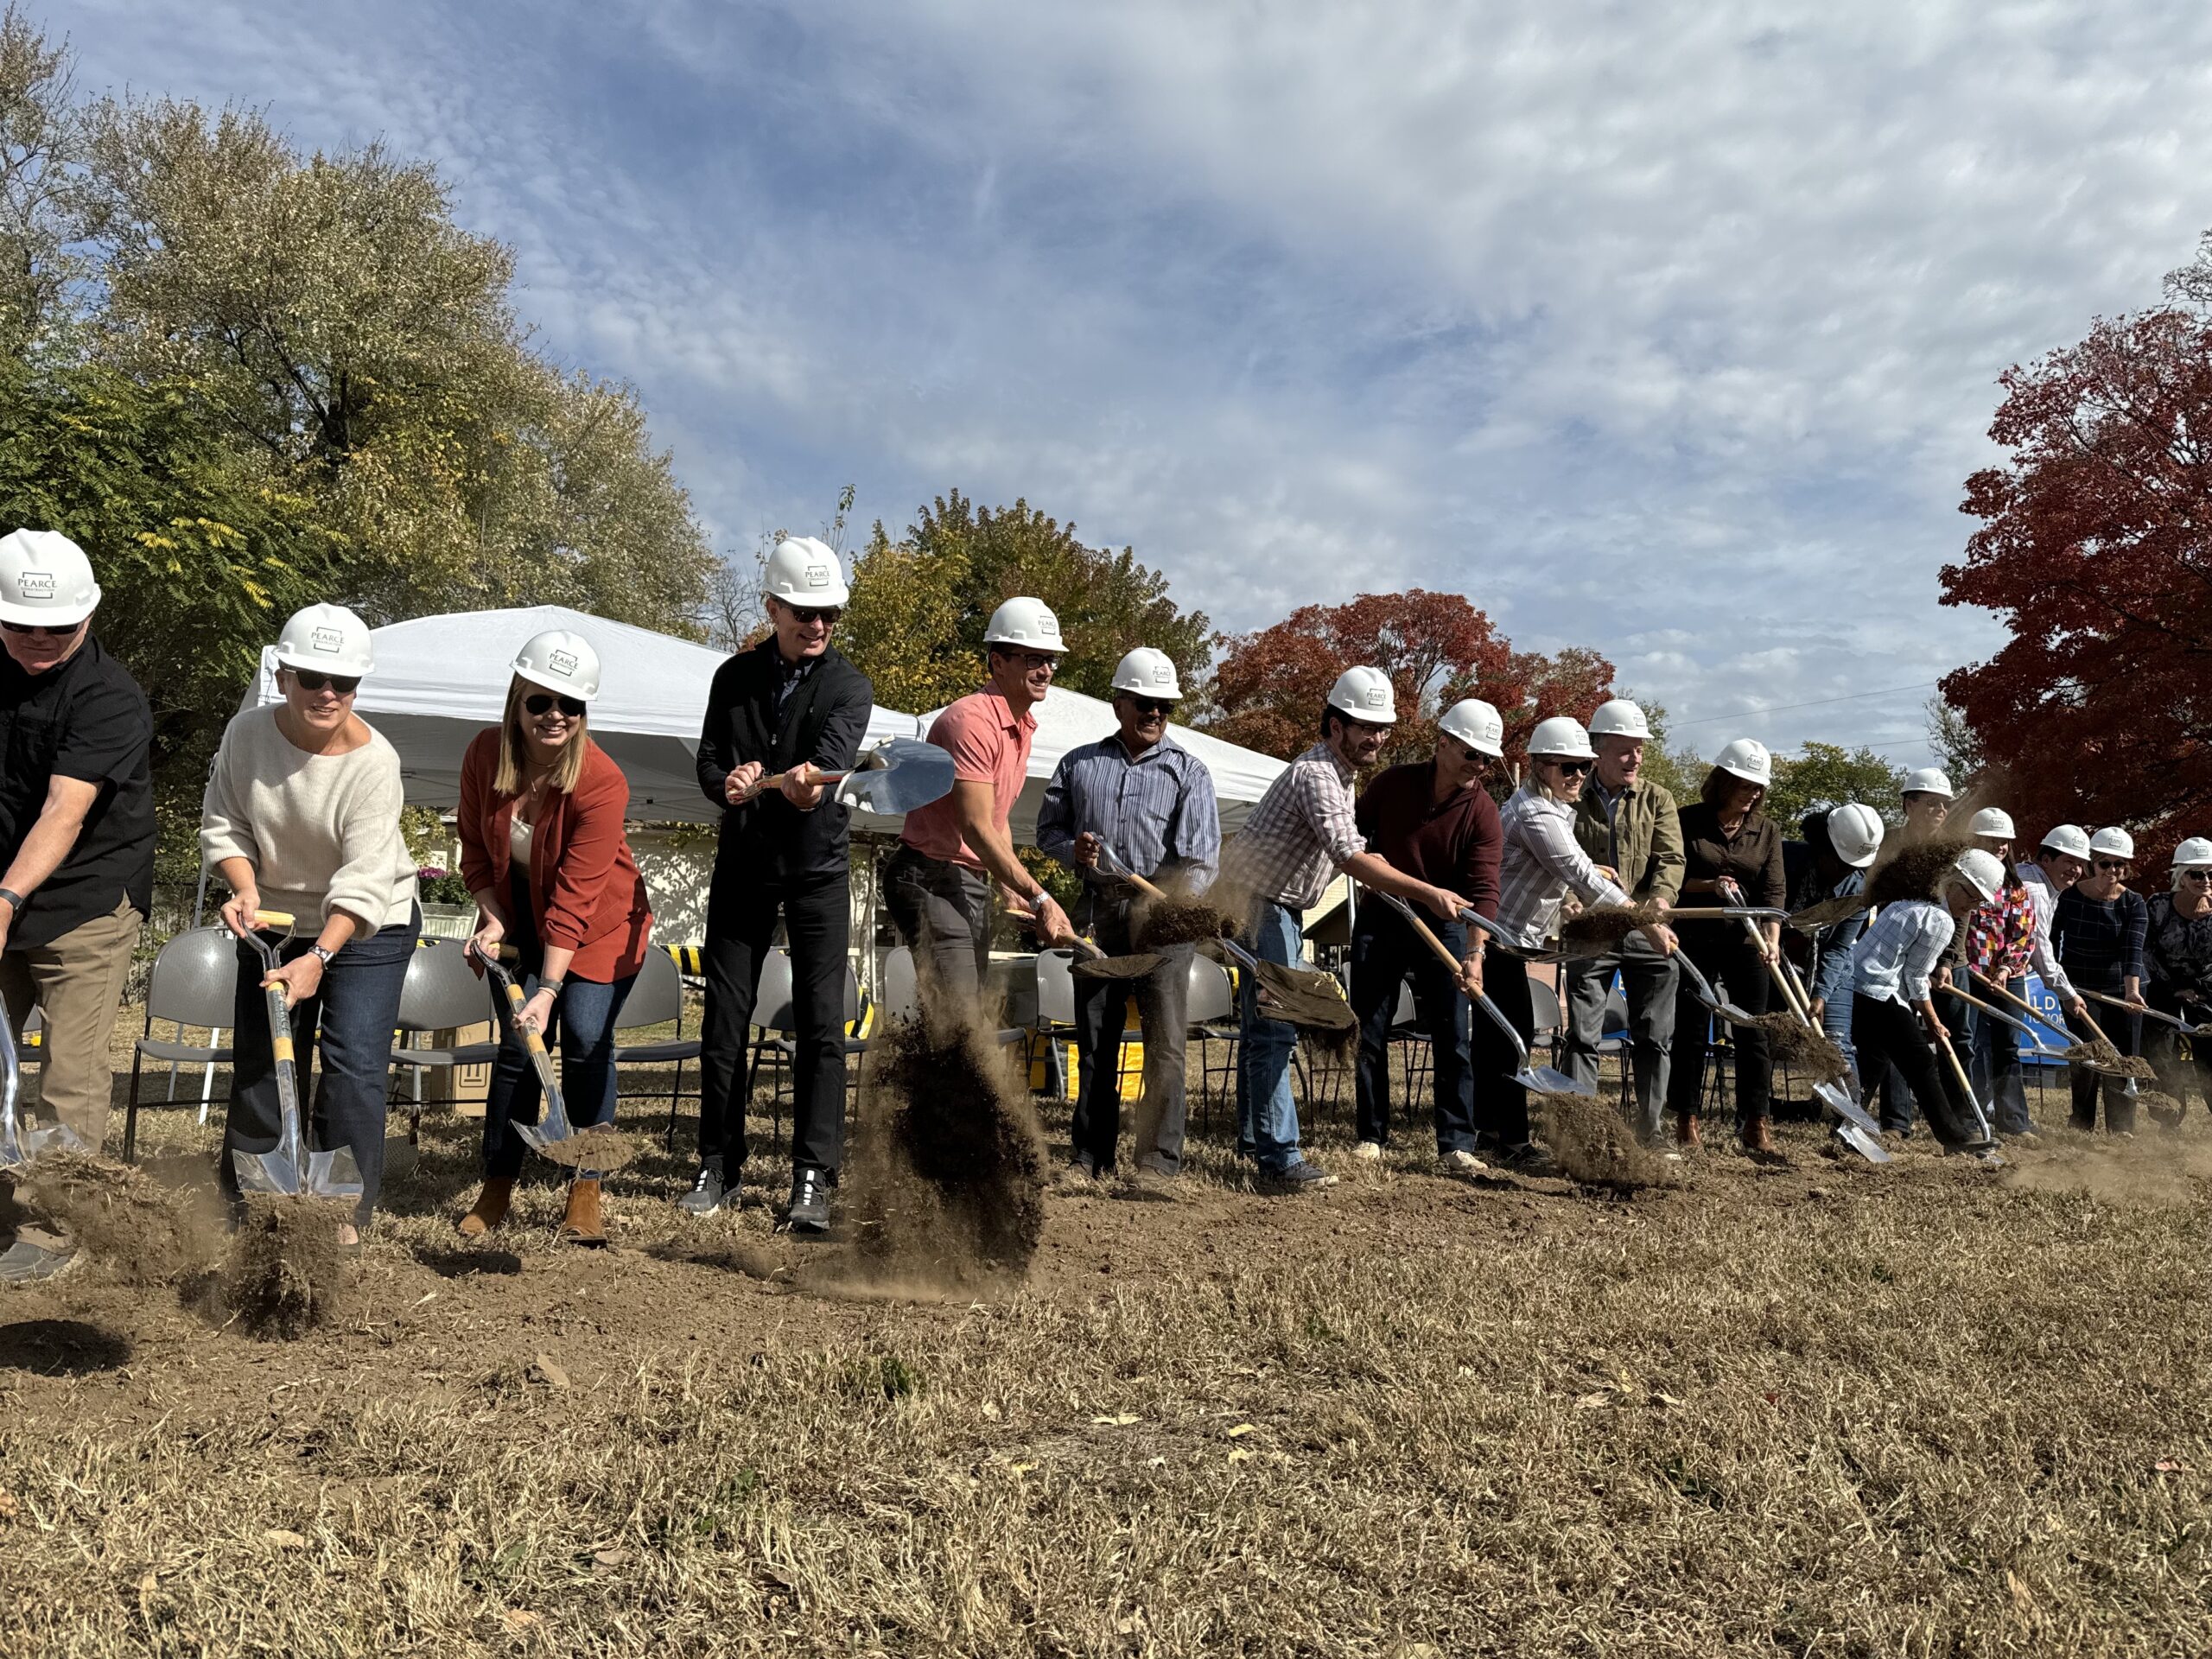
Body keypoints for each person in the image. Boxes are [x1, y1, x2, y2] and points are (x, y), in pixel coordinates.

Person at [200, 604, 420, 1243]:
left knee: (352, 1060)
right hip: (268, 917)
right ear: (283, 674)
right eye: (314, 678)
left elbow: (365, 878)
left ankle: (339, 1213)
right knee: (265, 1060)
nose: (328, 694)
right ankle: (250, 1207)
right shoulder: (246, 736)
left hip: (366, 923)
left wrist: (318, 959)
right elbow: (225, 823)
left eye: (345, 684)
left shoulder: (375, 763)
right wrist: (243, 889)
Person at [1217, 666, 1473, 1192]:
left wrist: (1374, 865)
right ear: (1335, 726)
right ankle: (1280, 1159)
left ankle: (1254, 1141)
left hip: (1272, 905)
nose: (1376, 738)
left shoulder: (1339, 776)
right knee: (1276, 1029)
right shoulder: (1316, 775)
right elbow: (1348, 854)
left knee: (1262, 1028)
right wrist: (1428, 892)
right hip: (1262, 906)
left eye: (1383, 728)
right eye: (1364, 726)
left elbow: (1350, 849)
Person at [689, 538, 874, 1228]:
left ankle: (812, 1178)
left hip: (817, 872)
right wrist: (728, 784)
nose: (818, 624)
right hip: (742, 867)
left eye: (828, 613)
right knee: (724, 1019)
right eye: (804, 611)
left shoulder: (850, 687)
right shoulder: (731, 678)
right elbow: (710, 761)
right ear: (772, 606)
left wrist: (801, 790)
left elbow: (826, 770)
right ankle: (718, 1164)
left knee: (822, 1024)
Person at [455, 631, 654, 1245]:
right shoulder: (485, 755)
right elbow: (475, 854)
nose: (555, 716)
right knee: (516, 1051)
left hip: (597, 926)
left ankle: (586, 1185)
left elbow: (578, 895)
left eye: (571, 706)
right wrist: (490, 916)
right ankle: (498, 1183)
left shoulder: (602, 781)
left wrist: (548, 988)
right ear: (518, 698)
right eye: (541, 701)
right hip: (520, 919)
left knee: (589, 1039)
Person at [0, 530, 156, 1284]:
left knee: (69, 1072)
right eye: (21, 625)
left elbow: (63, 812)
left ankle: (58, 1227)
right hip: (2, 886)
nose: (38, 639)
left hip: (86, 902)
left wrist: (4, 898)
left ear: (88, 617)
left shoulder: (109, 696)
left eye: (57, 627)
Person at [1036, 647, 1220, 1186]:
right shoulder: (1078, 764)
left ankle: (1157, 1163)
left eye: (1165, 706)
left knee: (1166, 1045)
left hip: (1164, 924)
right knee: (1097, 1041)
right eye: (1145, 703)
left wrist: (1174, 903)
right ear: (1119, 703)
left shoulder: (1189, 772)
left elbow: (1202, 861)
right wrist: (1074, 850)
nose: (1156, 714)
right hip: (1097, 917)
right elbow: (1047, 833)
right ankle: (1089, 1156)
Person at [1485, 717, 1675, 1168]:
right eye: (1567, 767)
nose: (1577, 777)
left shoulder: (1549, 810)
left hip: (1512, 940)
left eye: (1583, 768)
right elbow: (1580, 875)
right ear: (1538, 766)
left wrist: (1582, 886)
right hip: (1496, 938)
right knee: (1509, 1043)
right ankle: (1508, 1143)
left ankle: (1493, 1136)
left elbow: (1566, 870)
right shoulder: (1535, 812)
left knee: (1502, 1042)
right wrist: (1645, 922)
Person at [884, 597, 1073, 1015]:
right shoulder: (970, 722)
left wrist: (1010, 888)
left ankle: (941, 1074)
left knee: (969, 1004)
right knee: (962, 1013)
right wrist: (1040, 896)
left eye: (1051, 660)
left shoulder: (1020, 727)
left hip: (965, 876)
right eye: (1033, 659)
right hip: (927, 873)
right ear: (998, 661)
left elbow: (996, 820)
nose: (1045, 671)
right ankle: (940, 1075)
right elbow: (974, 828)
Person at [1347, 697, 1503, 1173]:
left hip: (1446, 929)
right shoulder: (1392, 784)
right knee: (1369, 1031)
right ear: (1444, 744)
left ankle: (1456, 1143)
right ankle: (1371, 1135)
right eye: (1472, 754)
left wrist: (1476, 953)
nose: (1480, 766)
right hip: (1383, 917)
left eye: (1487, 759)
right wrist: (1371, 866)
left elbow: (1484, 891)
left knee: (1453, 1034)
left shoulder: (1483, 813)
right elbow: (1352, 833)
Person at [1559, 698, 1684, 1142]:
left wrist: (1662, 901)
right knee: (1584, 1035)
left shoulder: (1657, 799)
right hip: (1592, 930)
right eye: (1626, 749)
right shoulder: (1570, 797)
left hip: (1647, 930)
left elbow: (1671, 858)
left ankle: (1650, 1132)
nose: (1635, 759)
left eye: (1640, 750)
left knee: (1654, 1035)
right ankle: (1582, 1131)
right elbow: (1562, 860)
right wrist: (1570, 900)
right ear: (1599, 751)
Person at [1847, 848, 2006, 1163]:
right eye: (1974, 898)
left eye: (1980, 902)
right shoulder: (1940, 919)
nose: (1973, 907)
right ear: (1956, 884)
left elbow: (1906, 968)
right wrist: (1933, 1021)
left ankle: (1844, 1122)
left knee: (1874, 1063)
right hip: (1877, 991)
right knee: (1921, 1062)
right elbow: (1916, 978)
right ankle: (1954, 1136)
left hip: (1854, 987)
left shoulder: (1909, 902)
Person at [1664, 740, 1785, 1152]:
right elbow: (1670, 881)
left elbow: (1773, 893)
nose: (1752, 794)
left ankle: (1755, 1122)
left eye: (1758, 788)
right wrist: (1709, 885)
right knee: (1692, 1029)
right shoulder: (1687, 822)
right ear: (1723, 781)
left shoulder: (1767, 831)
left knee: (1754, 1032)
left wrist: (1771, 942)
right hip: (1695, 936)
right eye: (1745, 785)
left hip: (1746, 939)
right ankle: (1686, 1117)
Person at [2053, 827, 2150, 1135]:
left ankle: (2121, 1127)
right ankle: (2081, 1123)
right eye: (2105, 863)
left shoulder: (2134, 903)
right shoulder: (2068, 898)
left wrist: (2132, 993)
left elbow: (2133, 949)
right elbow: (2051, 940)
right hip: (2079, 987)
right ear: (2093, 863)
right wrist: (2058, 981)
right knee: (2088, 1055)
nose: (2113, 870)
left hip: (2123, 989)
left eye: (2120, 865)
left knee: (2123, 1057)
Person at [1956, 808, 2038, 1139]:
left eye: (2005, 842)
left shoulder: (2016, 889)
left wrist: (2005, 968)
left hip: (2008, 975)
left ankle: (2015, 1121)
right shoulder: (1960, 881)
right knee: (1971, 1045)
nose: (2000, 846)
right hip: (1969, 973)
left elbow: (2023, 934)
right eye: (1993, 840)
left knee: (2008, 1046)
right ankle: (1972, 1116)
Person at [1796, 804, 1884, 1087]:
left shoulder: (1860, 890)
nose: (1849, 872)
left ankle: (1847, 1120)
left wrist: (1820, 995)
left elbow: (1838, 948)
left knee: (1837, 1045)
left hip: (1832, 966)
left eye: (1857, 867)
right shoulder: (1786, 861)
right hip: (1776, 957)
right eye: (1844, 864)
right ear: (1824, 849)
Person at [2144, 836, 2212, 1122]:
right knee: (2162, 1056)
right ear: (2181, 876)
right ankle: (2168, 1120)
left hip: (2207, 993)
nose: (2205, 879)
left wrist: (2199, 992)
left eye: (2211, 873)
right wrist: (2175, 988)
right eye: (2197, 873)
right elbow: (2146, 950)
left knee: (2210, 1057)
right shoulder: (2158, 905)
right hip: (2163, 989)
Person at [1899, 766, 1954, 842]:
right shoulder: (1884, 841)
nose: (1942, 808)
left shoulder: (1953, 848)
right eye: (1933, 802)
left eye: (1946, 804)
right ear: (1909, 805)